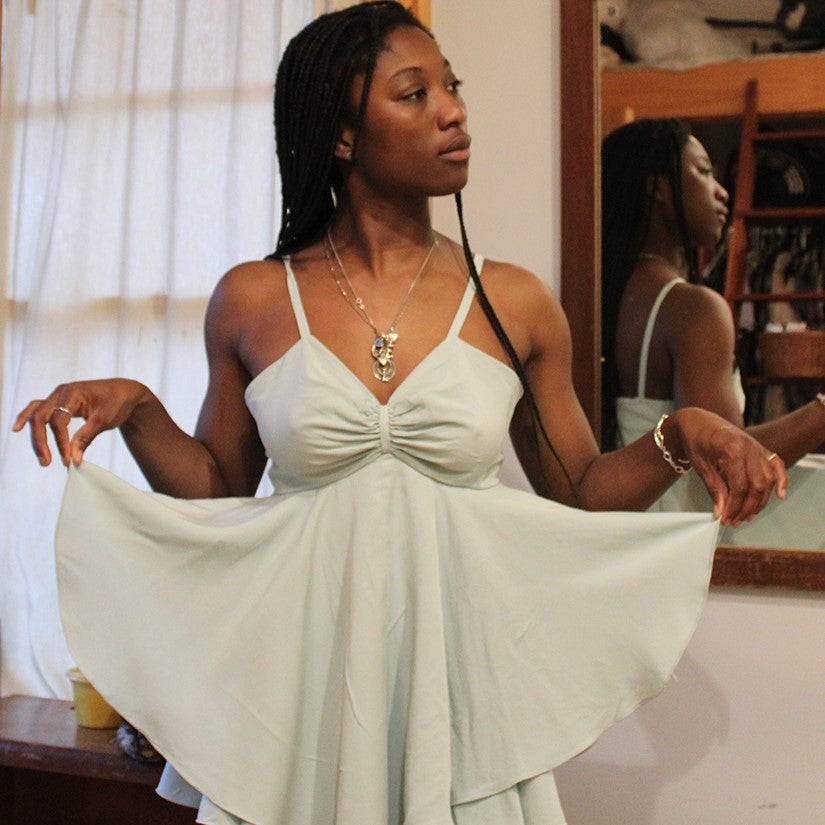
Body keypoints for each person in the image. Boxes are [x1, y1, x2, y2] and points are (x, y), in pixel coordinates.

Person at [15, 7, 785, 825]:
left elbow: (583, 491)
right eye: (413, 94)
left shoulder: (515, 302)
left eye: (451, 87)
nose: (452, 110)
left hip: (454, 713)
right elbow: (216, 490)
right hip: (306, 706)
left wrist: (685, 430)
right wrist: (138, 408)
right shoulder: (252, 299)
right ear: (343, 135)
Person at [601, 117, 825, 547]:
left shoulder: (607, 294)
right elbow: (732, 460)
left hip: (623, 537)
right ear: (657, 187)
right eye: (703, 172)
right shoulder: (693, 308)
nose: (721, 189)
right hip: (679, 546)